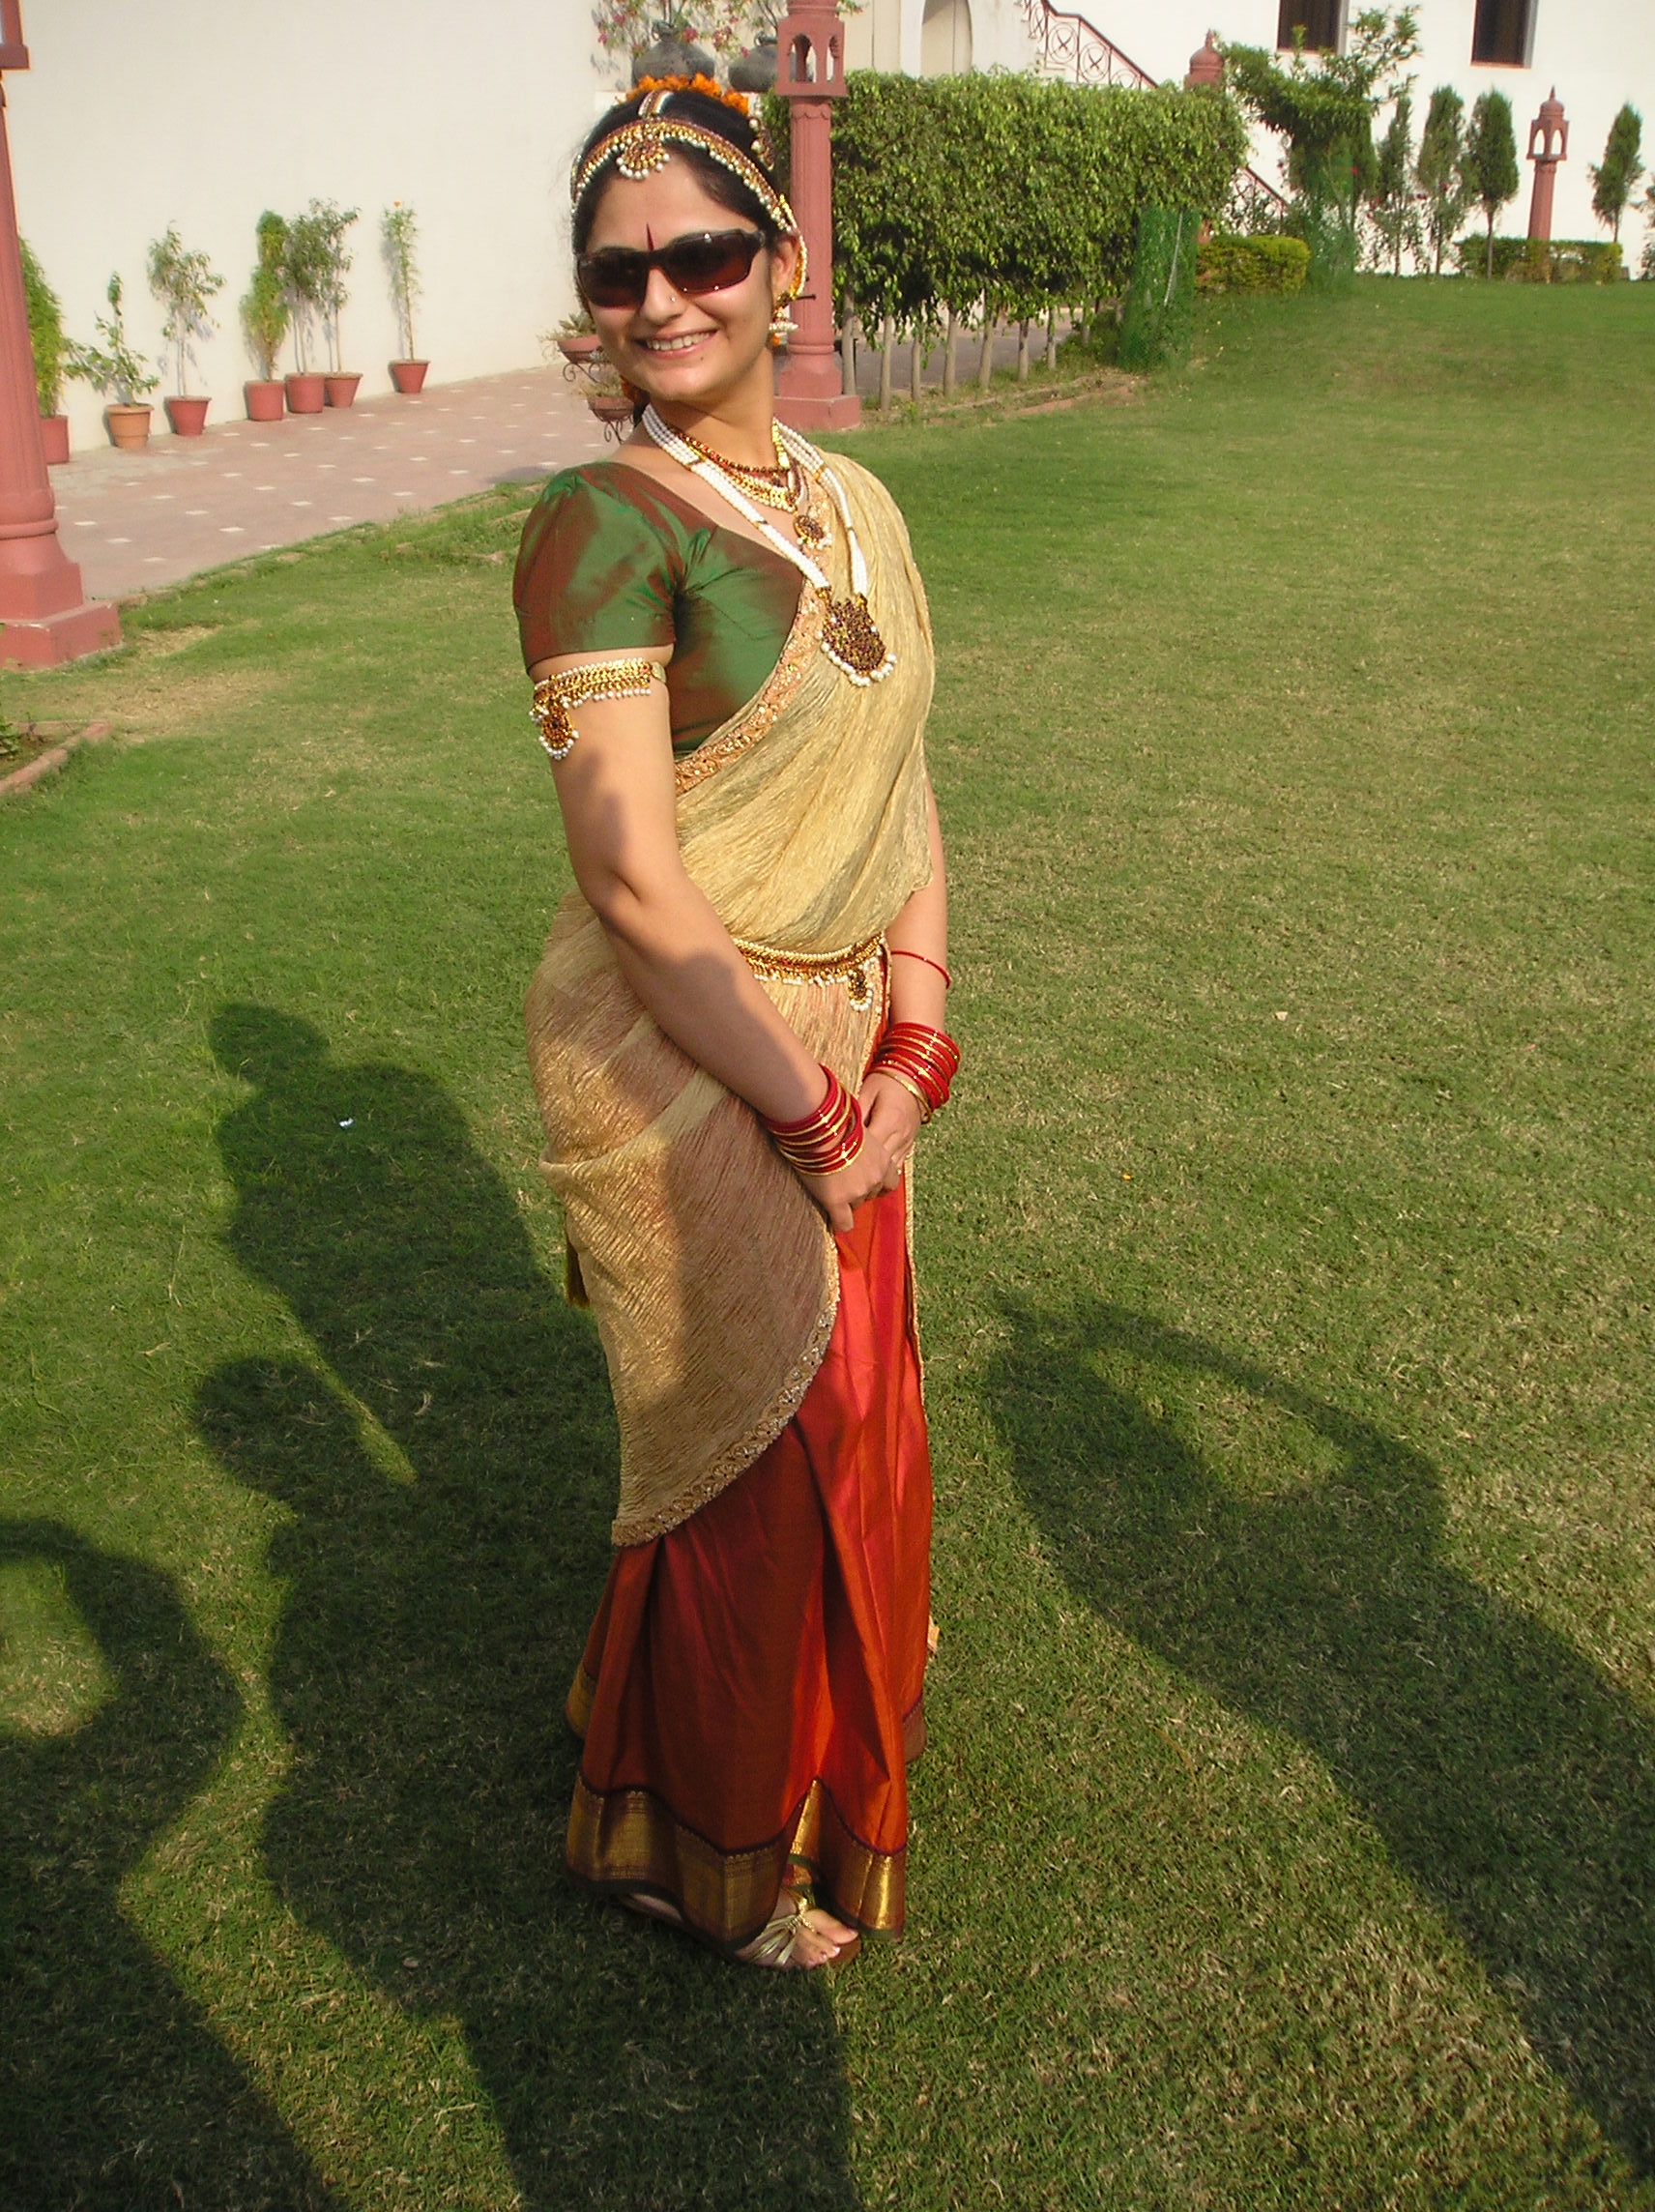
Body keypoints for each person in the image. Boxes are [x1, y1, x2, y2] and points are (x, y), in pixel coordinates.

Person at [512, 76, 959, 1972]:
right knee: (747, 1466)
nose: (662, 298)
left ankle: (749, 1767)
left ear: (784, 265)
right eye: (618, 273)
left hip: (846, 1042)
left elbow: (902, 772)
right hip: (697, 1054)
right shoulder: (599, 527)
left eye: (701, 253)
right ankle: (699, 1838)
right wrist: (813, 1113)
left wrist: (916, 1040)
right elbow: (633, 883)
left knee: (850, 1429)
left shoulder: (857, 504)